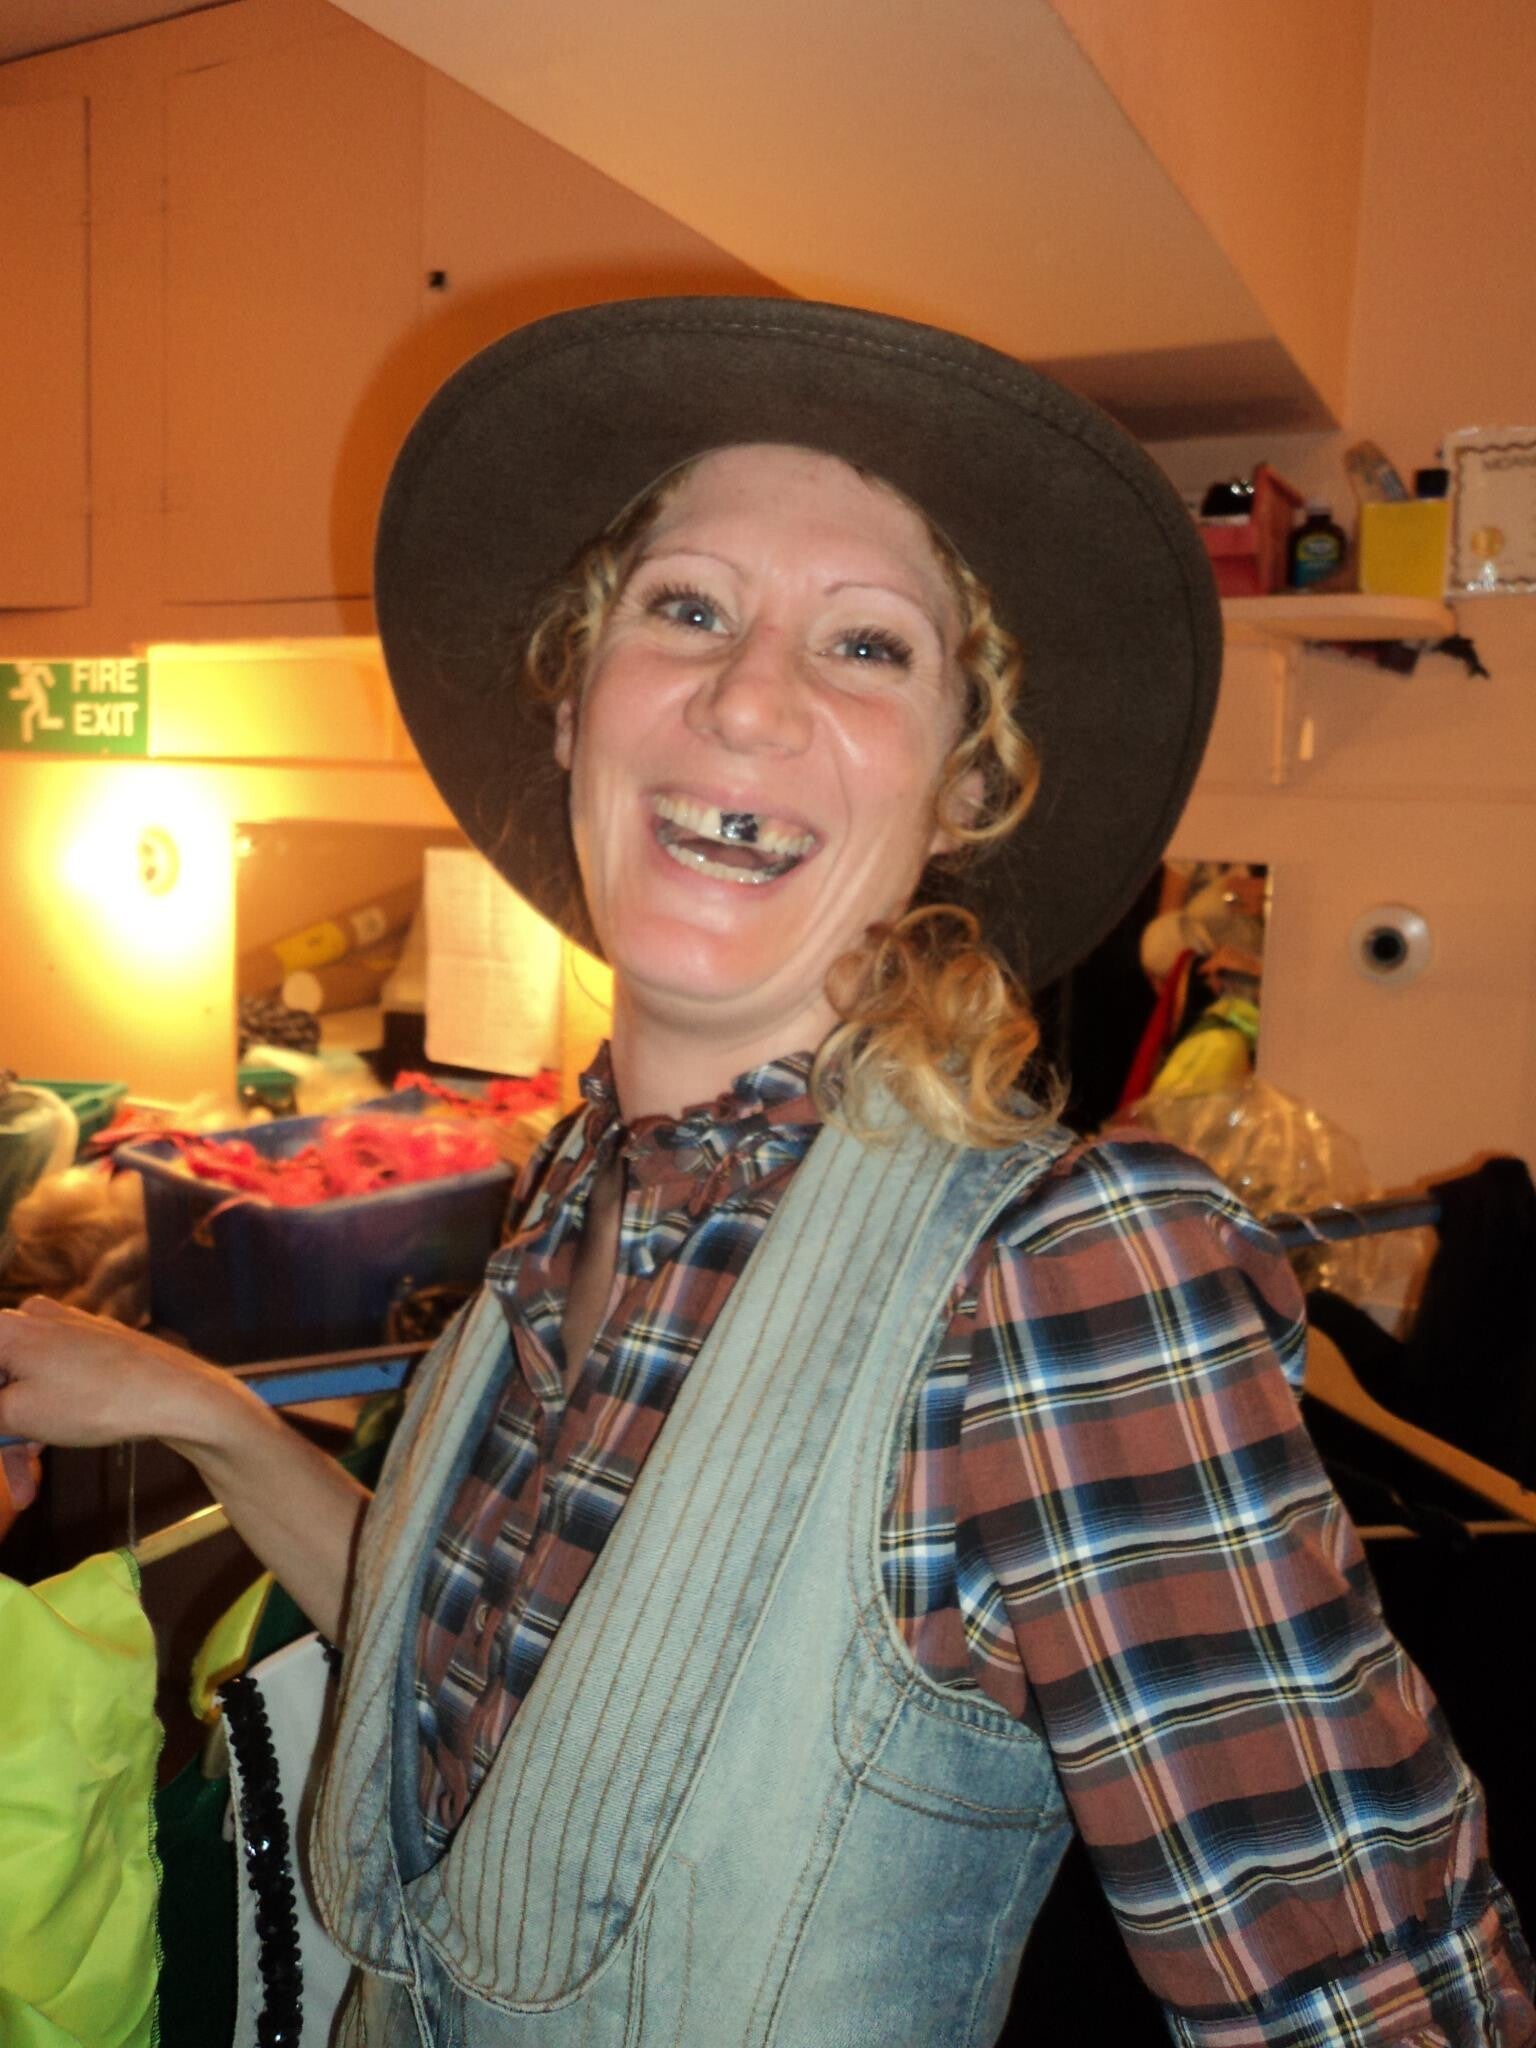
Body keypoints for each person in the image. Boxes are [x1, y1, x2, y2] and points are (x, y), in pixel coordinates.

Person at [1, 299, 1531, 2047]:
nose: (745, 696)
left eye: (868, 645)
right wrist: (192, 1409)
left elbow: (1377, 2005)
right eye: (688, 607)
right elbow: (488, 1682)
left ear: (964, 786)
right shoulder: (580, 1194)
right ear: (574, 701)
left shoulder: (1060, 1278)